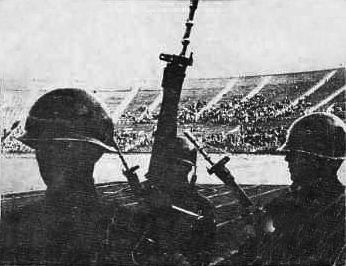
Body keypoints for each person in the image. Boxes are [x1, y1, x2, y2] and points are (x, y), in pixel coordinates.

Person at [0, 88, 121, 265]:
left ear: (93, 153)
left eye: (65, 148)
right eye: (42, 148)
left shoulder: (121, 226)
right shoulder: (12, 225)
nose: (50, 158)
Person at [218, 112, 346, 265]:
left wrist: (267, 234)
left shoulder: (340, 212)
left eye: (295, 153)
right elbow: (250, 252)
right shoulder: (287, 201)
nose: (287, 158)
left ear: (318, 160)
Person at [125, 136, 216, 266]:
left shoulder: (202, 206)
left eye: (180, 166)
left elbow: (205, 253)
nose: (173, 170)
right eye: (170, 165)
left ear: (188, 168)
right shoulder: (155, 196)